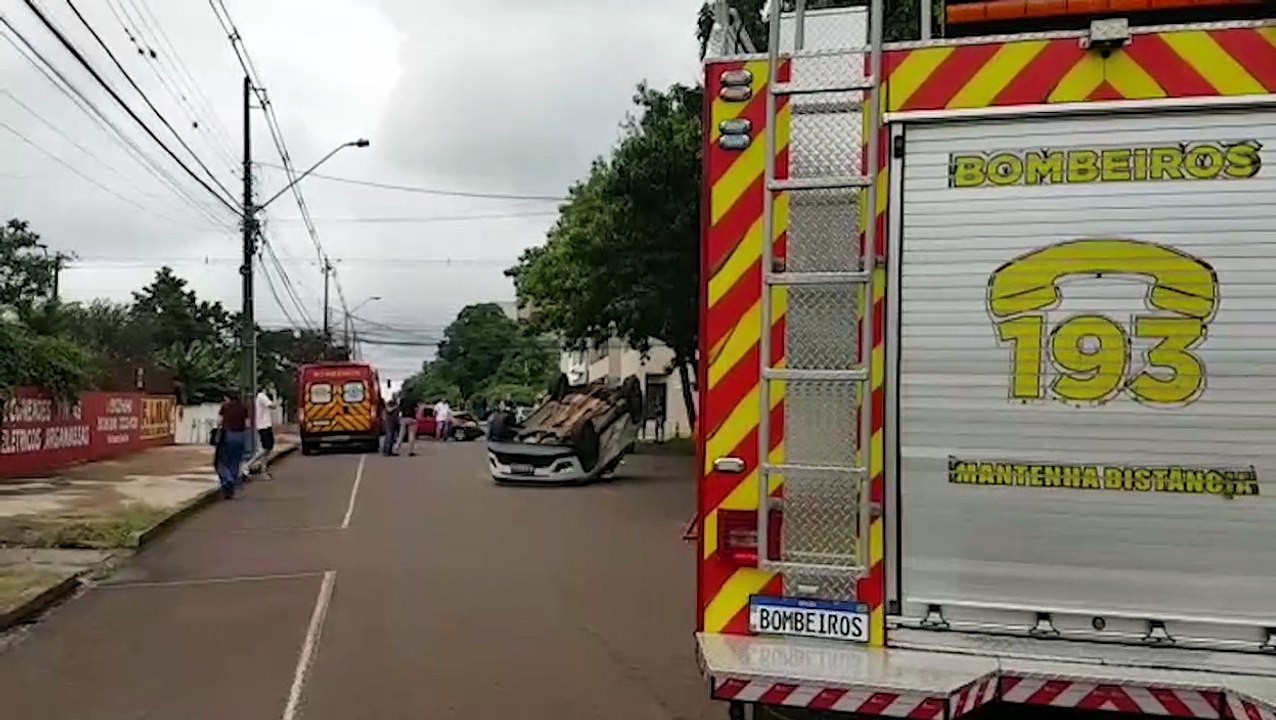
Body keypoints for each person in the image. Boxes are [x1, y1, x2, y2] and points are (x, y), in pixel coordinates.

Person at [215, 392, 250, 499]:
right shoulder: (243, 407)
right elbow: (248, 424)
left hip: (228, 435)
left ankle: (228, 479)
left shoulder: (225, 407)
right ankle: (231, 485)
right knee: (235, 461)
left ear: (227, 397)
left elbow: (218, 422)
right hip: (240, 435)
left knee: (221, 461)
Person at [251, 385, 277, 479]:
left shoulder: (260, 397)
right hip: (264, 426)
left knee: (268, 449)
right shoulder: (262, 396)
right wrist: (274, 397)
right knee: (266, 448)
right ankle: (248, 465)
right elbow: (273, 406)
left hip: (265, 425)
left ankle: (263, 470)